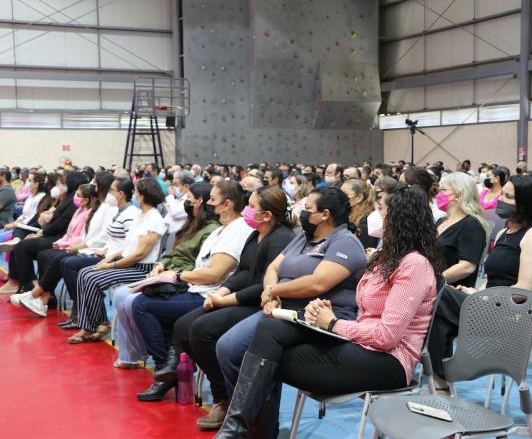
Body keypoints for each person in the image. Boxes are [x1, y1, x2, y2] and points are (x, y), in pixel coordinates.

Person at [215, 184, 441, 438]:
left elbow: (387, 337)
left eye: (381, 210)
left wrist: (333, 324)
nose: (375, 217)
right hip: (360, 345)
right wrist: (321, 313)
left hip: (390, 362)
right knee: (269, 335)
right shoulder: (385, 257)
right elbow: (365, 314)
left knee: (266, 359)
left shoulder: (414, 265)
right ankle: (238, 429)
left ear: (400, 218)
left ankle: (241, 430)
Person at [211, 187, 368, 436]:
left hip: (320, 316)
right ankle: (251, 422)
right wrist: (272, 294)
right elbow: (273, 268)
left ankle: (256, 429)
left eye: (308, 210)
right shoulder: (304, 236)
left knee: (262, 349)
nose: (302, 214)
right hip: (284, 310)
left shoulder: (345, 243)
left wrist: (275, 291)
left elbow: (318, 283)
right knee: (227, 348)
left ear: (325, 214)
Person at [163, 186, 295, 428]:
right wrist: (220, 291)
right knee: (183, 327)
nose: (246, 210)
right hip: (242, 296)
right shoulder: (255, 234)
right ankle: (223, 392)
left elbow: (261, 285)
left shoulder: (281, 238)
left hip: (261, 303)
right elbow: (244, 272)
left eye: (252, 206)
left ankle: (228, 399)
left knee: (203, 329)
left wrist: (226, 300)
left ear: (267, 215)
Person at [131, 180, 253, 401]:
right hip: (195, 287)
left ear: (226, 205)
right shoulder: (219, 230)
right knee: (144, 299)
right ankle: (169, 369)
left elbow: (214, 274)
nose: (208, 204)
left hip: (210, 294)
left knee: (142, 306)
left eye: (212, 200)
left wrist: (177, 275)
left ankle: (165, 371)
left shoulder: (236, 230)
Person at [429, 174, 532, 382]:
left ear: (527, 203)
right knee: (438, 306)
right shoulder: (504, 232)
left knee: (437, 293)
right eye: (502, 193)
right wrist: (476, 291)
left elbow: (523, 291)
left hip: (514, 314)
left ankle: (435, 376)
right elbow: (491, 278)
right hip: (491, 305)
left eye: (509, 196)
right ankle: (438, 378)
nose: (501, 199)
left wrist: (481, 298)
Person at [112, 182, 218, 369]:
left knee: (133, 302)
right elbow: (172, 252)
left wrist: (175, 273)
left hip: (184, 279)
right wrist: (161, 264)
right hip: (169, 273)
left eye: (189, 199)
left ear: (199, 201)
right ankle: (135, 352)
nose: (185, 202)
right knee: (121, 294)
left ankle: (159, 360)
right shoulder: (190, 223)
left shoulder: (210, 230)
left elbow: (199, 264)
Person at [67, 178, 166, 344]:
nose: (134, 195)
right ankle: (98, 323)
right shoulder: (142, 215)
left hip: (142, 269)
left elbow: (138, 255)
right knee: (85, 273)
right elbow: (130, 247)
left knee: (92, 277)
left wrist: (110, 265)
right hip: (130, 263)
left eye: (136, 192)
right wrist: (112, 256)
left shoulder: (154, 219)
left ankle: (90, 327)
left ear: (142, 196)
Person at [57, 178, 140, 327]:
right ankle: (85, 314)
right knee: (67, 262)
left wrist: (109, 255)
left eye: (112, 191)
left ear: (121, 194)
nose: (109, 194)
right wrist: (104, 250)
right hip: (107, 253)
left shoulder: (131, 214)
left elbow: (130, 246)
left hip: (119, 259)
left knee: (75, 267)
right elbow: (112, 238)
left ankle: (88, 317)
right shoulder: (119, 211)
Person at [13, 184, 98, 317]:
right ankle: (44, 298)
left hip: (78, 247)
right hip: (66, 243)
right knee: (43, 255)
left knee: (55, 258)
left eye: (78, 195)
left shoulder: (89, 214)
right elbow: (68, 233)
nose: (75, 197)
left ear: (86, 200)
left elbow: (81, 238)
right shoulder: (79, 210)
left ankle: (37, 294)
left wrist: (64, 245)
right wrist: (60, 242)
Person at [0, 171, 88, 294]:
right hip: (52, 233)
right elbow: (49, 217)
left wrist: (41, 233)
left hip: (58, 237)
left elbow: (60, 224)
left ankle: (29, 285)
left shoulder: (73, 202)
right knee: (19, 240)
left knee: (22, 246)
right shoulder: (65, 199)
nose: (58, 187)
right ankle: (20, 282)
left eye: (62, 183)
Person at [434, 172, 489, 288]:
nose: (439, 194)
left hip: (451, 292)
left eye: (444, 190)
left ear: (458, 194)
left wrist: (435, 280)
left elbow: (467, 266)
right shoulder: (441, 221)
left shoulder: (471, 225)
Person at [0, 171, 46, 245]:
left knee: (1, 238)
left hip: (28, 227)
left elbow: (33, 216)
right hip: (20, 224)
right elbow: (23, 215)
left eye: (30, 181)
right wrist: (15, 223)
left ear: (36, 184)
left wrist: (15, 224)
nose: (27, 182)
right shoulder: (31, 196)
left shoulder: (41, 197)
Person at [341, 178, 377, 248]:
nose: (339, 197)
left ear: (359, 198)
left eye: (344, 195)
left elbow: (365, 250)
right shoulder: (348, 214)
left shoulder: (367, 221)